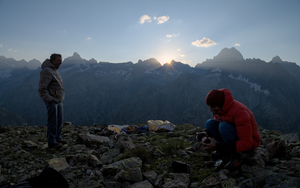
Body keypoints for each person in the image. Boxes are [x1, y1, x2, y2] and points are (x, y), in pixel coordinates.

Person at [198, 88, 261, 170]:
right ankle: (224, 152)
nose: (211, 110)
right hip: (235, 136)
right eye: (210, 107)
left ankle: (237, 158)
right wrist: (204, 133)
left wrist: (217, 146)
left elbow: (246, 143)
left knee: (223, 126)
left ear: (220, 104)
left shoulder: (240, 112)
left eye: (213, 107)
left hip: (250, 144)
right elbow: (216, 126)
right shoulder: (221, 109)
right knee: (210, 123)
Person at [38, 53, 67, 148]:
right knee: (53, 121)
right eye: (58, 60)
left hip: (58, 100)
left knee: (59, 120)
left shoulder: (54, 70)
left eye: (61, 60)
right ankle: (52, 141)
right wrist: (50, 100)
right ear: (52, 61)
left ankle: (57, 138)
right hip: (52, 100)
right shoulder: (47, 71)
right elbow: (42, 89)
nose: (60, 63)